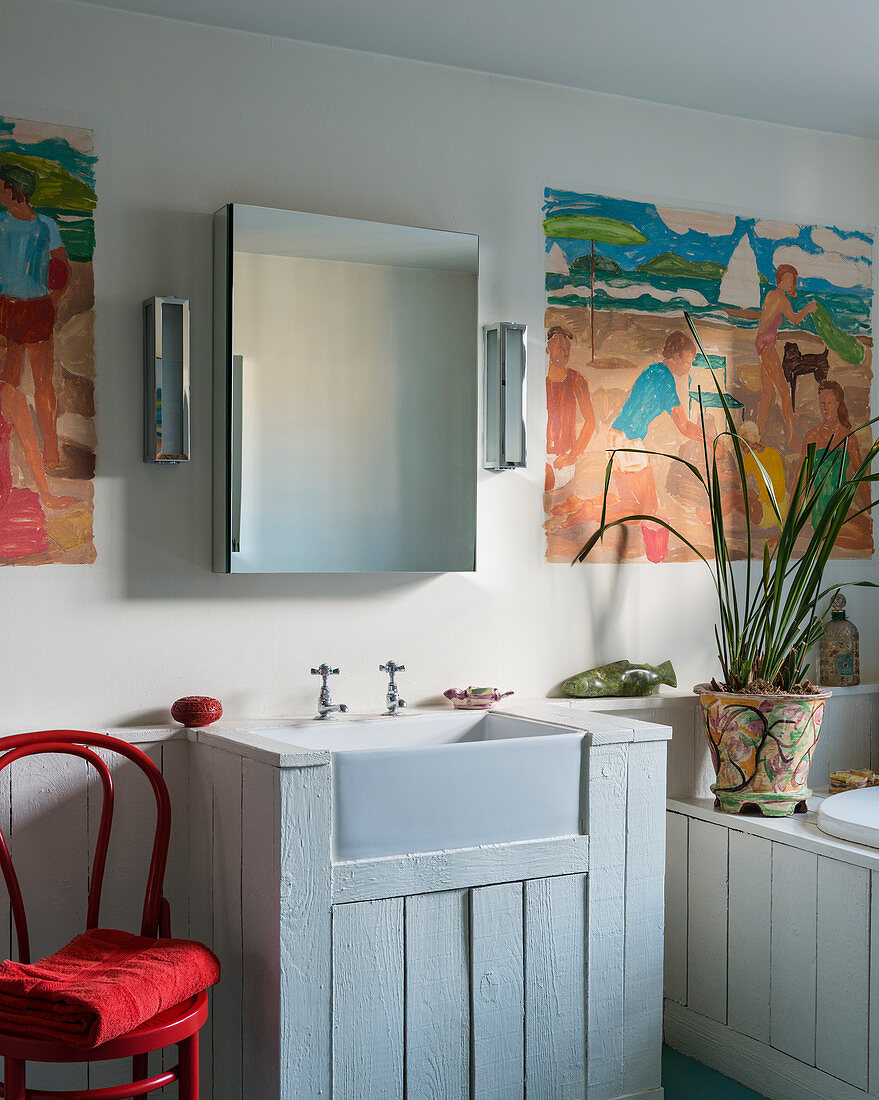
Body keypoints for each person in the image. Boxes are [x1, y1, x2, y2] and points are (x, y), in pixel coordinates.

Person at [553, 330, 703, 562]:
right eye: (688, 361)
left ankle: (585, 506)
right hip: (627, 443)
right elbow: (682, 424)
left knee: (631, 506)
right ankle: (591, 511)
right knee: (648, 509)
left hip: (618, 438)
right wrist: (710, 439)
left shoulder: (654, 371)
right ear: (675, 356)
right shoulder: (664, 377)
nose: (688, 367)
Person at [0, 163, 70, 470]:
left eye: (1, 186)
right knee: (20, 379)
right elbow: (62, 270)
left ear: (13, 190)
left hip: (20, 307)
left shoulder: (35, 224)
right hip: (24, 306)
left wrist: (49, 299)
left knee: (24, 380)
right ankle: (40, 447)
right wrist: (50, 298)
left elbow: (61, 270)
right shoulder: (45, 224)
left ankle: (45, 446)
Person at [755, 264, 817, 444]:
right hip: (767, 346)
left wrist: (764, 332)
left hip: (762, 344)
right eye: (787, 278)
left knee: (767, 395)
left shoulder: (773, 296)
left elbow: (785, 320)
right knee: (784, 392)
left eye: (792, 280)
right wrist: (808, 309)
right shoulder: (779, 298)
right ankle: (792, 439)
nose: (789, 282)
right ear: (780, 279)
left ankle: (758, 437)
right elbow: (789, 320)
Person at [801, 380, 870, 531]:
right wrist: (791, 520)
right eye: (822, 403)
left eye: (829, 403)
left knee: (866, 528)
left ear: (838, 403)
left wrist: (871, 510)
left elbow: (862, 478)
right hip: (819, 511)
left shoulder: (848, 438)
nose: (825, 407)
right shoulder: (811, 437)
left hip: (841, 507)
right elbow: (801, 482)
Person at [545, 325, 595, 491]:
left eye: (567, 349)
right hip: (538, 454)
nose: (565, 353)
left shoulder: (577, 380)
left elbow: (590, 421)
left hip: (563, 458)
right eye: (560, 348)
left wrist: (573, 455)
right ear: (548, 350)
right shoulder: (538, 379)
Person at [739, 420, 787, 528]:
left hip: (767, 514)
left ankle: (710, 518)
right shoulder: (774, 452)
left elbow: (740, 477)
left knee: (734, 495)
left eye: (740, 441)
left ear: (744, 441)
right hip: (782, 510)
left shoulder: (751, 457)